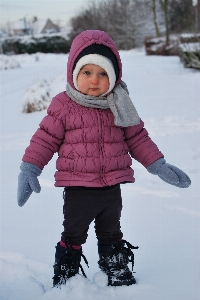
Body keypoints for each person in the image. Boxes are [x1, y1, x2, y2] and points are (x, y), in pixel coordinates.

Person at [17, 30, 191, 287]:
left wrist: (157, 164)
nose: (95, 81)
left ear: (114, 76)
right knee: (74, 231)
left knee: (112, 230)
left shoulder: (120, 103)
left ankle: (114, 264)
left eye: (103, 73)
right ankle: (67, 269)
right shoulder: (64, 105)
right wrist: (30, 168)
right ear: (74, 72)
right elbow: (45, 138)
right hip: (78, 187)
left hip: (112, 184)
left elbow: (137, 138)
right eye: (87, 72)